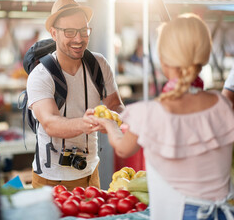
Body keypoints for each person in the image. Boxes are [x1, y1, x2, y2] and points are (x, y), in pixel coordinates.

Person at [92, 13, 234, 219]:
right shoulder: (222, 104)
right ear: (203, 56)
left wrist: (108, 124)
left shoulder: (151, 112)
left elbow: (123, 148)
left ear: (164, 60)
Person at [26, 0, 124, 191]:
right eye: (69, 32)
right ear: (54, 33)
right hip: (51, 178)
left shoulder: (99, 64)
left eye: (83, 31)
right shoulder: (41, 75)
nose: (78, 39)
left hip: (90, 171)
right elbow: (50, 123)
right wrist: (88, 122)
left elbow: (115, 105)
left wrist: (116, 119)